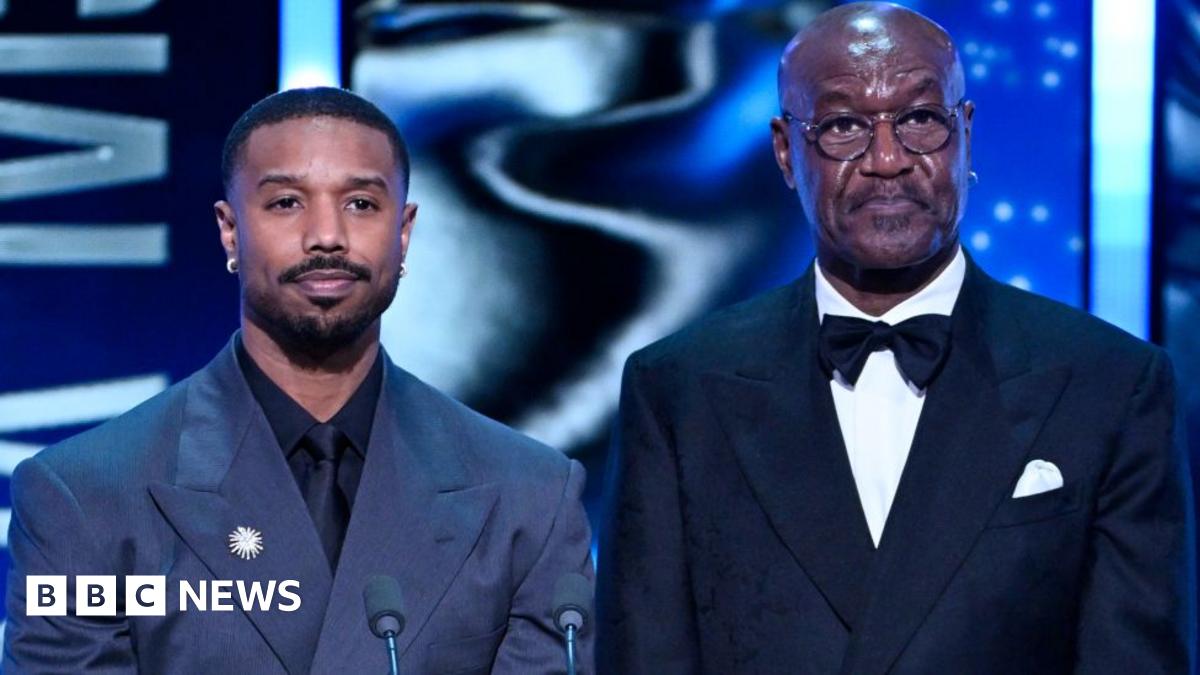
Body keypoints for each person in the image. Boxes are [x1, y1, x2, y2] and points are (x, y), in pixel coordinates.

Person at [596, 3, 1194, 673]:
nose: (888, 160)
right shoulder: (679, 391)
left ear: (964, 134)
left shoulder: (1109, 385)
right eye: (844, 126)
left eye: (919, 120)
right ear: (786, 152)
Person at [4, 87, 593, 674]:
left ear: (405, 230)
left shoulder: (531, 497)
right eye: (287, 202)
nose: (327, 236)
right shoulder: (85, 497)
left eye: (361, 204)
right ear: (230, 230)